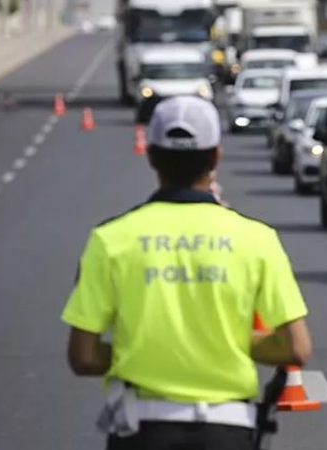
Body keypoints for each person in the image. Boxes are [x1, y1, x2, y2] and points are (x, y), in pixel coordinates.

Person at [61, 96, 313, 450]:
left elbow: (83, 356)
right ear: (216, 157)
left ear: (150, 155)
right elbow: (296, 348)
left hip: (143, 429)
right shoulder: (257, 239)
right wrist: (230, 341)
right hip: (229, 429)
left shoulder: (110, 240)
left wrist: (142, 349)